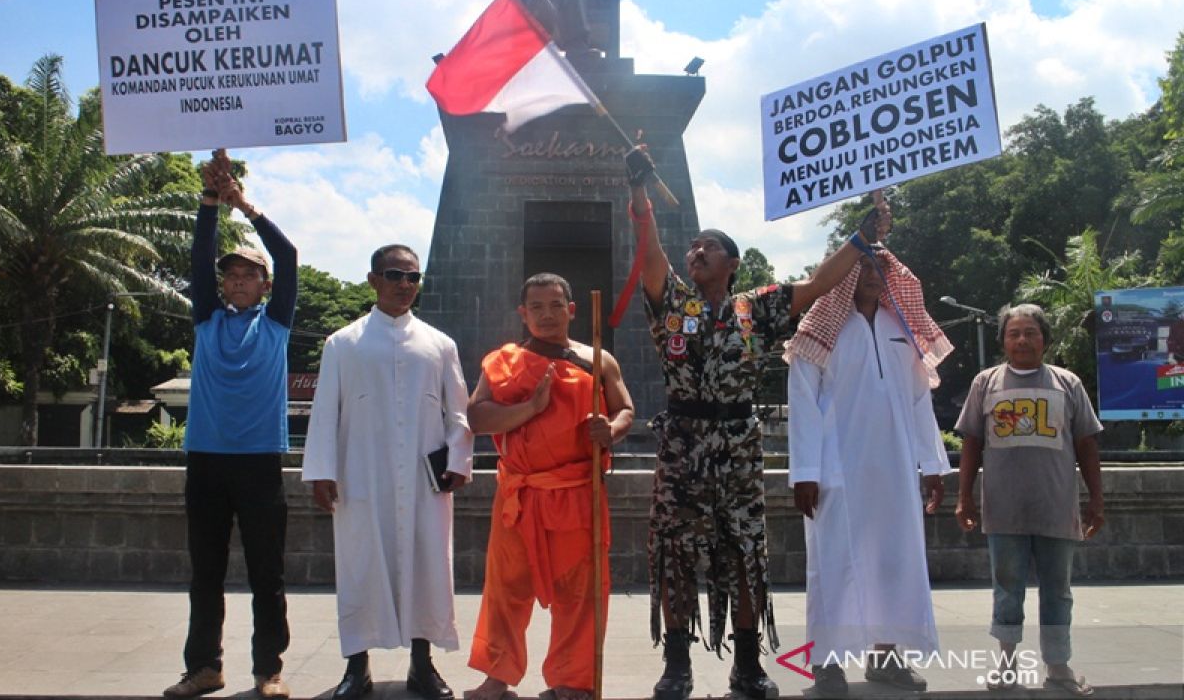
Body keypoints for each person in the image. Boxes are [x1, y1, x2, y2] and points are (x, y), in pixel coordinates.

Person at [623, 148, 891, 700]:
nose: (697, 251)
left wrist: (861, 239)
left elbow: (818, 283)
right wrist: (639, 193)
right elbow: (649, 256)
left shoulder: (756, 308)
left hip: (740, 443)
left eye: (710, 246)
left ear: (733, 264)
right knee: (675, 551)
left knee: (745, 551)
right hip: (683, 442)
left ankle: (747, 665)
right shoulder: (672, 302)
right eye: (693, 246)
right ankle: (678, 666)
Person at [301, 245, 473, 700]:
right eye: (394, 275)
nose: (404, 284)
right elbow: (324, 413)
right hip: (361, 475)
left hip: (424, 480)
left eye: (413, 277)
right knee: (360, 566)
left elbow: (459, 412)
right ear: (373, 279)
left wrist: (458, 461)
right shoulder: (342, 343)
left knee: (427, 566)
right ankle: (357, 668)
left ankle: (423, 665)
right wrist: (321, 470)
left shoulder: (440, 344)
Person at [785, 247, 953, 699]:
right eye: (865, 267)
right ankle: (827, 663)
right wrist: (805, 471)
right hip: (836, 469)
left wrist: (933, 464)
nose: (877, 275)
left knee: (894, 561)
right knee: (833, 566)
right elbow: (801, 400)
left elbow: (920, 400)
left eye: (884, 267)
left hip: (896, 470)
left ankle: (886, 657)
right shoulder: (821, 330)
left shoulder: (904, 328)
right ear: (844, 274)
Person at [465, 273, 634, 700]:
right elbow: (477, 418)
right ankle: (496, 677)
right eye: (536, 307)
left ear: (572, 310)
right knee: (505, 589)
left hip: (577, 493)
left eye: (555, 305)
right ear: (523, 314)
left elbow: (627, 409)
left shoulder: (597, 359)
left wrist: (609, 431)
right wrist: (530, 408)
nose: (546, 314)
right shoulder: (504, 361)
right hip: (519, 497)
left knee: (580, 592)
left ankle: (571, 680)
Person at [165, 149, 296, 699]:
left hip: (262, 462)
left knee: (267, 576)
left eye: (250, 276)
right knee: (206, 575)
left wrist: (242, 203)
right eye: (232, 276)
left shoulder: (278, 325)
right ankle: (205, 667)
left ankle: (269, 671)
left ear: (265, 287)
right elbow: (198, 257)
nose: (239, 282)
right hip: (208, 460)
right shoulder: (206, 320)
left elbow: (287, 256)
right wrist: (209, 202)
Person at [955, 303, 1104, 696]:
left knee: (1058, 591)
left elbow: (1087, 445)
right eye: (1013, 333)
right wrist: (964, 498)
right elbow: (971, 442)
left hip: (1057, 508)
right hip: (1004, 511)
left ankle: (1058, 667)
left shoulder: (1067, 383)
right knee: (1007, 590)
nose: (1022, 339)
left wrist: (1096, 501)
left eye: (1030, 332)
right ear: (1004, 340)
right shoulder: (985, 383)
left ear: (1045, 338)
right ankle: (1006, 666)